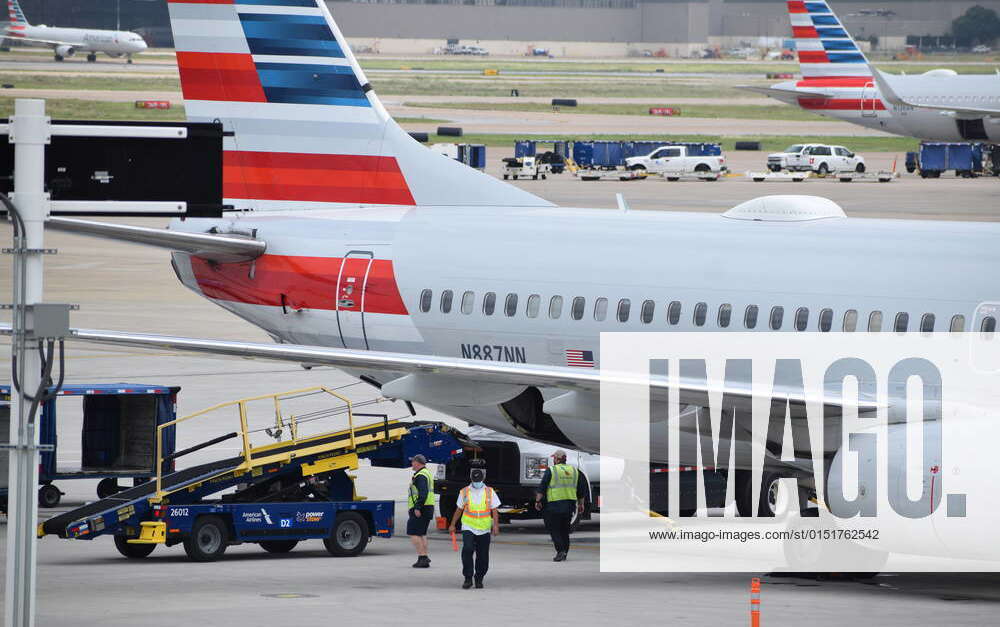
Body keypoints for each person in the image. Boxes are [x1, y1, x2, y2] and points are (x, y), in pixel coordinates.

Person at [449, 459, 500, 589]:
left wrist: (495, 525)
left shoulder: (489, 491)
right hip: (468, 526)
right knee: (467, 549)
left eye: (479, 481)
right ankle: (467, 577)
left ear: (482, 479)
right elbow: (459, 509)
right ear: (471, 479)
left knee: (483, 556)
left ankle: (479, 578)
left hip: (484, 528)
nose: (477, 483)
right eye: (475, 481)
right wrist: (452, 524)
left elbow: (494, 510)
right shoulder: (464, 491)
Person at [535, 449, 587, 562]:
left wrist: (538, 501)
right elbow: (581, 490)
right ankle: (565, 552)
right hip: (569, 506)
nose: (553, 460)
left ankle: (560, 551)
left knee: (554, 529)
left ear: (558, 459)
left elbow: (542, 487)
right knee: (564, 529)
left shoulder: (552, 470)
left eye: (554, 458)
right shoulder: (574, 471)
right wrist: (581, 504)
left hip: (554, 505)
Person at [407, 453, 436, 568]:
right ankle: (424, 557)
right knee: (421, 533)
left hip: (421, 508)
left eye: (413, 462)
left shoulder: (421, 476)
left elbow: (423, 494)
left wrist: (418, 507)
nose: (411, 464)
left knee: (413, 532)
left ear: (418, 463)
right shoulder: (426, 473)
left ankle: (422, 557)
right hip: (428, 506)